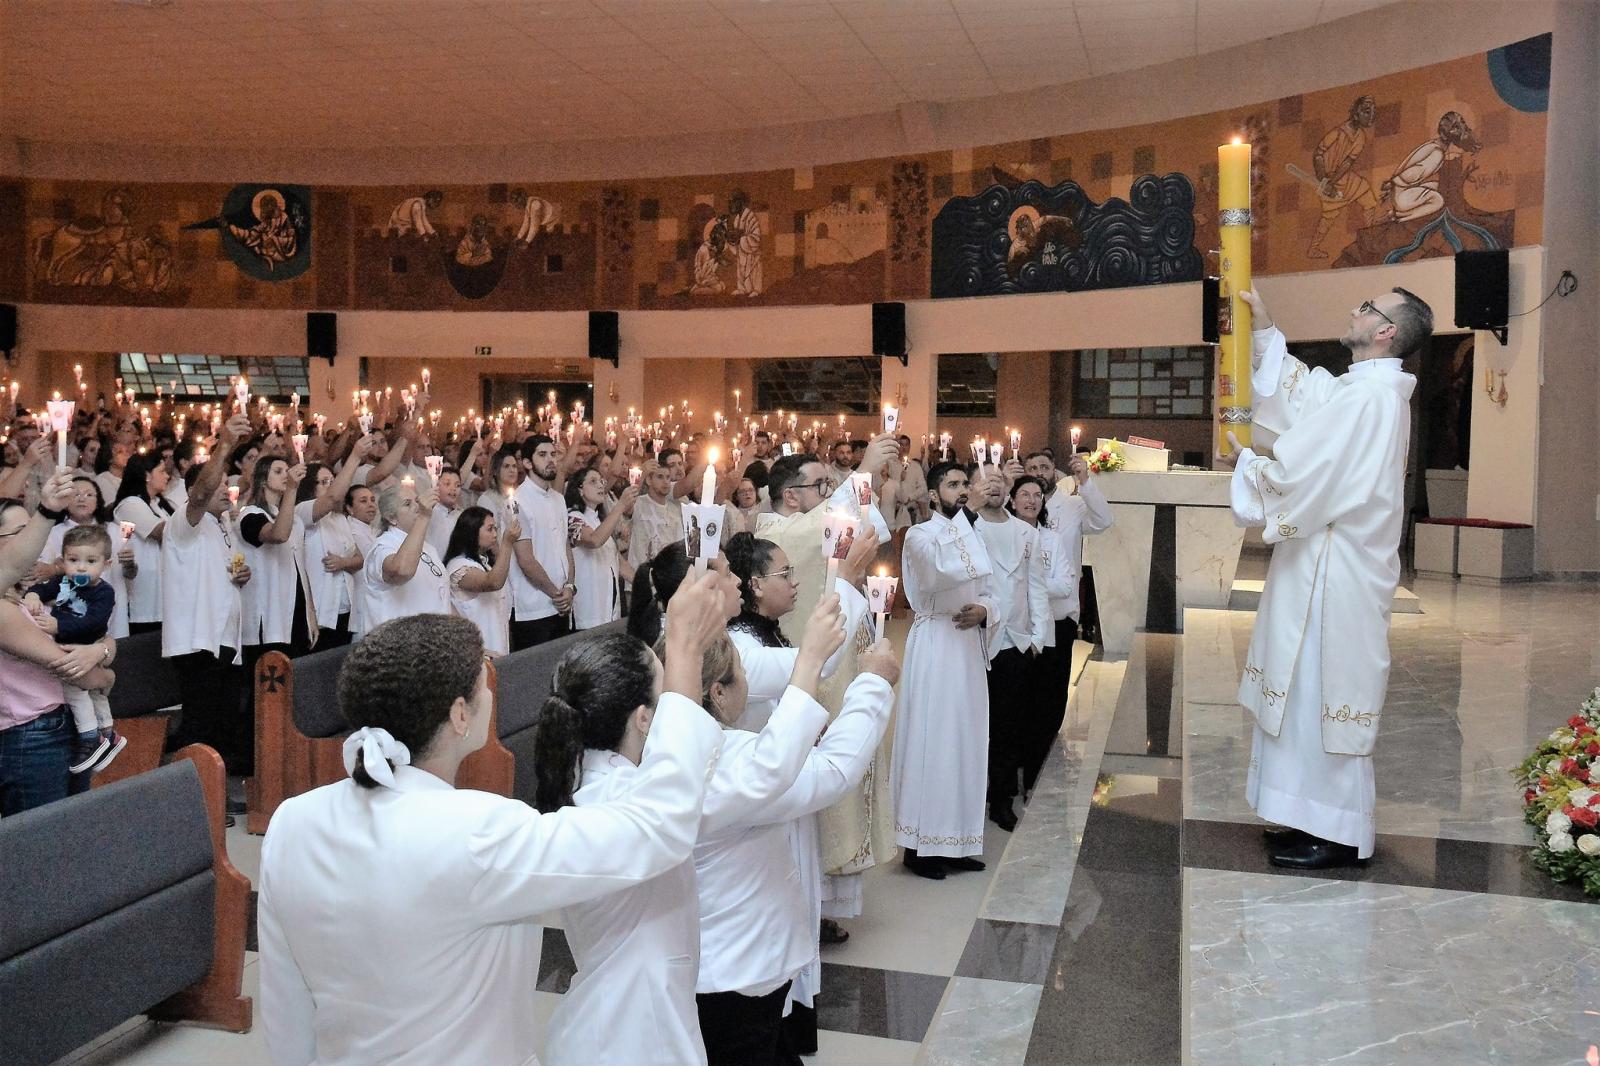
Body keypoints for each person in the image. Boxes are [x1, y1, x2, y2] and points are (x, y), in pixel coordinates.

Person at [258, 587, 730, 1066]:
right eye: (483, 680)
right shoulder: (477, 832)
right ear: (460, 714)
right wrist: (684, 656)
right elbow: (655, 830)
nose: (490, 689)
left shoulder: (292, 822)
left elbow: (286, 1016)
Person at [531, 587, 826, 1066]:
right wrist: (691, 648)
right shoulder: (628, 800)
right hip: (628, 1035)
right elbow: (758, 773)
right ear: (645, 719)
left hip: (634, 1015)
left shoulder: (602, 781)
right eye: (667, 692)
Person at [1216, 286, 1429, 870]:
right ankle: (1302, 814)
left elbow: (1314, 472)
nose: (1354, 310)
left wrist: (1252, 466)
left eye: (1367, 308)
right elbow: (1307, 399)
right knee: (1300, 693)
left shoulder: (1374, 399)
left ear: (1386, 331)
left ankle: (1336, 831)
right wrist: (1265, 328)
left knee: (1321, 694)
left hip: (1339, 575)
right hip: (1319, 562)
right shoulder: (1359, 391)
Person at [721, 530, 876, 1054]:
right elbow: (818, 663)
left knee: (801, 899)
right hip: (765, 800)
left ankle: (793, 1010)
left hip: (781, 790)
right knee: (787, 905)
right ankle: (782, 1020)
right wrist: (846, 580)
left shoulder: (763, 634)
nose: (793, 581)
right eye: (784, 573)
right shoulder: (741, 648)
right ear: (754, 584)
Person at [756, 446, 897, 921]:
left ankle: (830, 904)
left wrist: (861, 483)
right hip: (808, 679)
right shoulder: (774, 533)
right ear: (790, 496)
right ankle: (811, 906)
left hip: (843, 669)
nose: (828, 492)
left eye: (828, 484)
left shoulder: (808, 526)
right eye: (820, 485)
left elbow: (861, 529)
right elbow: (833, 525)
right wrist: (862, 473)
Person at [893, 461, 995, 879]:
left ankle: (956, 841)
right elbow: (937, 573)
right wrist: (968, 517)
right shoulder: (920, 535)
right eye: (953, 485)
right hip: (936, 641)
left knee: (966, 741)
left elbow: (991, 589)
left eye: (965, 483)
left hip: (967, 648)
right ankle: (920, 847)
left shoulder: (974, 533)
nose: (963, 490)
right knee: (933, 741)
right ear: (934, 495)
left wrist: (985, 610)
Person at [1, 500, 116, 816]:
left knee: (70, 826)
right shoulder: (4, 609)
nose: (34, 540)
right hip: (31, 733)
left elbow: (94, 636)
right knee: (44, 836)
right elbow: (68, 666)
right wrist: (107, 674)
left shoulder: (27, 596)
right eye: (22, 532)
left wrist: (101, 649)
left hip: (57, 722)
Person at [162, 416, 254, 773]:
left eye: (227, 485)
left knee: (221, 722)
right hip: (197, 641)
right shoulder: (184, 522)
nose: (225, 490)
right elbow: (201, 492)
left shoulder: (221, 523)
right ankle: (189, 787)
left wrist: (240, 576)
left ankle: (214, 789)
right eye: (220, 484)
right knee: (200, 724)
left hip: (223, 639)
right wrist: (225, 445)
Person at [1026, 448, 1112, 789]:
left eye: (1044, 467)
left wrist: (1085, 481)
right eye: (1032, 467)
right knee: (1025, 686)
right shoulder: (1017, 507)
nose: (1039, 471)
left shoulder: (1073, 505)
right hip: (1022, 615)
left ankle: (1048, 746)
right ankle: (1024, 750)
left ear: (1054, 471)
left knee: (1054, 684)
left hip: (1060, 611)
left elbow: (1103, 520)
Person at [971, 468, 1050, 832]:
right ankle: (970, 795)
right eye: (984, 481)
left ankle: (1001, 798)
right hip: (975, 641)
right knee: (975, 725)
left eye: (998, 481)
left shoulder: (1025, 532)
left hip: (1015, 641)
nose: (993, 487)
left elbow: (1036, 586)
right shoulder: (968, 528)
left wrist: (1037, 637)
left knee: (1008, 725)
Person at [24, 524, 125, 773]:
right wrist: (34, 595)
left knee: (77, 690)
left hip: (87, 645)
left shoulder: (104, 592)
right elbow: (41, 588)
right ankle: (108, 733)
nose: (81, 568)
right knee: (94, 693)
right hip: (71, 646)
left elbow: (95, 622)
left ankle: (90, 737)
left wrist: (59, 626)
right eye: (73, 560)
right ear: (62, 561)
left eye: (91, 561)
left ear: (106, 564)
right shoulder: (63, 581)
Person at [34, 475, 134, 639]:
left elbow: (130, 574)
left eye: (89, 494)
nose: (82, 499)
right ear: (65, 501)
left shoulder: (115, 531)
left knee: (114, 647)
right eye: (75, 494)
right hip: (71, 609)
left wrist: (130, 564)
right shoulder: (53, 532)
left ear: (98, 500)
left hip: (112, 602)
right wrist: (55, 570)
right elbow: (44, 573)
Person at [238, 455, 318, 660]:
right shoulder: (250, 515)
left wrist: (310, 614)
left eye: (287, 470)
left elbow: (301, 568)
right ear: (263, 480)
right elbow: (279, 534)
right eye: (278, 471)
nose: (285, 475)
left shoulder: (295, 520)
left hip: (295, 611)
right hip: (267, 617)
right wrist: (292, 488)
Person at [294, 447, 372, 649]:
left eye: (333, 480)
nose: (332, 486)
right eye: (324, 482)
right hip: (320, 610)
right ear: (309, 487)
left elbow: (359, 558)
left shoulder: (340, 519)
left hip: (346, 608)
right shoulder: (302, 511)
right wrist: (355, 455)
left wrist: (343, 562)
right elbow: (332, 498)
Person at [509, 435, 574, 649]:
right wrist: (556, 594)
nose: (550, 460)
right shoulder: (518, 501)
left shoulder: (558, 498)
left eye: (553, 454)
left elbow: (565, 546)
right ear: (527, 463)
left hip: (562, 602)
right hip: (534, 607)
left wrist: (569, 586)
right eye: (543, 455)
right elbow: (525, 560)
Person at [362, 481, 450, 630]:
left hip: (434, 636)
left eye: (417, 501)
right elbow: (401, 571)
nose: (417, 507)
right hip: (399, 640)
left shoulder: (428, 547)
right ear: (391, 518)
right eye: (407, 504)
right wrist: (424, 516)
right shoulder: (382, 546)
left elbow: (443, 596)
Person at [111, 451, 175, 634]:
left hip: (165, 589)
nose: (167, 476)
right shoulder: (130, 504)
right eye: (162, 471)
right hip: (143, 593)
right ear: (146, 475)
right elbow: (160, 532)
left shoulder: (159, 504)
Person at [566, 467, 637, 630]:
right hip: (588, 606)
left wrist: (645, 581)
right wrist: (620, 506)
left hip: (609, 604)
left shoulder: (600, 520)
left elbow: (618, 561)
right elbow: (594, 540)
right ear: (579, 490)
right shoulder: (571, 517)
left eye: (601, 481)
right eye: (593, 481)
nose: (600, 485)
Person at [443, 506, 517, 657]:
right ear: (472, 531)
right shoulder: (458, 566)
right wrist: (507, 544)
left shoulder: (485, 564)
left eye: (496, 529)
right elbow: (494, 583)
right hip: (477, 650)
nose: (495, 534)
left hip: (496, 643)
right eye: (490, 529)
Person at [627, 459, 684, 572]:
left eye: (668, 477)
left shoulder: (675, 510)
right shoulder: (638, 503)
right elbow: (625, 507)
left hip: (665, 576)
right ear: (649, 480)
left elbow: (679, 547)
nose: (666, 482)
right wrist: (642, 474)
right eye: (660, 477)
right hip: (638, 575)